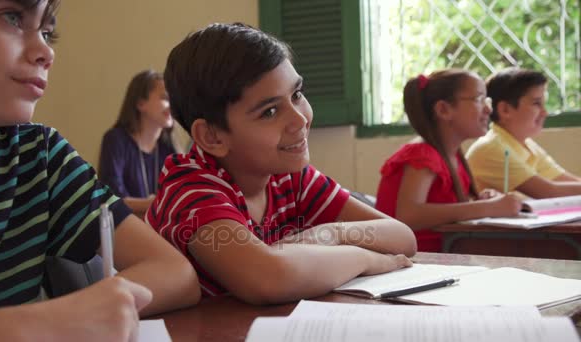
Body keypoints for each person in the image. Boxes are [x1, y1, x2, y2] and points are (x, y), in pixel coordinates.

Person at [0, 0, 200, 340]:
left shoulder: (40, 156)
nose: (46, 52)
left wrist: (87, 310)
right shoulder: (117, 140)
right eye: (12, 17)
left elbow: (177, 273)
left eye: (49, 33)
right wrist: (45, 323)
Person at [146, 23, 417, 305]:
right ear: (212, 136)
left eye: (297, 95)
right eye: (270, 111)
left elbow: (402, 238)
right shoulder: (192, 191)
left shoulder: (289, 178)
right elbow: (269, 278)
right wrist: (366, 259)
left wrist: (327, 234)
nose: (299, 119)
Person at [375, 69, 522, 252]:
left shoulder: (454, 157)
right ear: (444, 109)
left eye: (487, 100)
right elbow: (409, 215)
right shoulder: (422, 155)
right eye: (478, 99)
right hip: (414, 264)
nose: (488, 109)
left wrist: (481, 202)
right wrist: (486, 208)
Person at [466, 68, 581, 198]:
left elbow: (568, 181)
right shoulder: (491, 147)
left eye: (544, 103)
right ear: (505, 110)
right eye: (536, 103)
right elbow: (548, 191)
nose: (545, 112)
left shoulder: (527, 145)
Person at [99, 70, 176, 216]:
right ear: (141, 103)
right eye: (165, 98)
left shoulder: (168, 148)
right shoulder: (115, 140)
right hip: (126, 231)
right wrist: (156, 204)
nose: (172, 106)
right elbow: (112, 200)